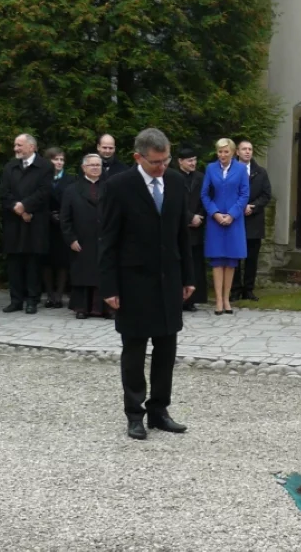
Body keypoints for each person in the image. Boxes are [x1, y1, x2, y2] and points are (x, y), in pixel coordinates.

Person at [99, 127, 195, 440]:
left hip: (169, 278)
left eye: (166, 159)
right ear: (138, 157)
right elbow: (108, 240)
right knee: (135, 350)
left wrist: (189, 277)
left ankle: (159, 410)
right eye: (155, 162)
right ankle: (134, 413)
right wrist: (109, 287)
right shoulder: (118, 186)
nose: (162, 166)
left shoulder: (177, 182)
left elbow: (183, 234)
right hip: (133, 281)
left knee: (167, 347)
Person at [0, 134, 54, 315]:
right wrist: (19, 208)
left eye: (19, 145)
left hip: (35, 221)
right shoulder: (10, 167)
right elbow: (4, 193)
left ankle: (32, 299)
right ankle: (15, 300)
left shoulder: (45, 166)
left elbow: (45, 191)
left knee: (33, 262)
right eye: (15, 145)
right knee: (14, 262)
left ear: (32, 147)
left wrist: (27, 206)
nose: (16, 148)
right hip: (14, 221)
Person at [201, 138, 249, 315]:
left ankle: (227, 299)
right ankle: (218, 301)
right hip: (216, 220)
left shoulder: (241, 169)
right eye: (220, 152)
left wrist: (232, 214)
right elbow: (205, 194)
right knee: (217, 260)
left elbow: (244, 194)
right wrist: (214, 213)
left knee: (230, 260)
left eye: (226, 151)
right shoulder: (210, 168)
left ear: (232, 152)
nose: (222, 155)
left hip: (234, 220)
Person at [61, 154, 109, 319]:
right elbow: (65, 218)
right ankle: (82, 308)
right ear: (84, 168)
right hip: (81, 239)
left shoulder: (110, 187)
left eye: (98, 165)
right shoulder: (72, 190)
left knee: (104, 273)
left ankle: (105, 309)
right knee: (83, 273)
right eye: (92, 165)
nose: (95, 168)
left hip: (105, 239)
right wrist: (70, 239)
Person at [231, 140, 271, 302]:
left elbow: (266, 195)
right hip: (235, 219)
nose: (247, 152)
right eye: (244, 149)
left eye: (250, 149)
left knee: (251, 257)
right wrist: (238, 207)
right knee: (234, 257)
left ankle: (248, 289)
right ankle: (234, 290)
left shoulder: (260, 172)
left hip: (254, 220)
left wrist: (253, 207)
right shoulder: (230, 171)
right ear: (237, 152)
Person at [42, 147, 76, 308]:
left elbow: (72, 202)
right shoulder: (41, 179)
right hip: (45, 224)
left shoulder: (70, 180)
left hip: (63, 224)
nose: (59, 162)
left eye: (62, 159)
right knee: (47, 260)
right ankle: (49, 294)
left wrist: (62, 216)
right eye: (56, 159)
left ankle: (59, 295)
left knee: (62, 261)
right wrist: (49, 215)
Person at [177, 147, 207, 311]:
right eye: (189, 160)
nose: (193, 163)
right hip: (180, 227)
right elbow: (173, 202)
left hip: (197, 227)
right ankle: (178, 298)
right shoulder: (172, 178)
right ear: (180, 161)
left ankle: (192, 299)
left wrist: (200, 216)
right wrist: (189, 217)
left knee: (194, 263)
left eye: (195, 160)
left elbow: (207, 198)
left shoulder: (201, 178)